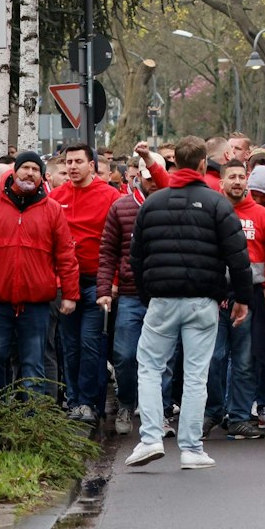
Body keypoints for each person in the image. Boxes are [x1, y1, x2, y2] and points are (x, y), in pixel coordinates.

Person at [126, 136, 251, 471]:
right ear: (201, 165)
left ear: (174, 164)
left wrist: (145, 295)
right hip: (203, 300)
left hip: (162, 300)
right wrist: (240, 298)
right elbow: (238, 257)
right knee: (196, 374)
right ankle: (192, 448)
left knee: (150, 367)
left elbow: (136, 258)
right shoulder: (217, 204)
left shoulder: (152, 204)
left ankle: (151, 438)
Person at [0, 152, 77, 395]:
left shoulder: (53, 210)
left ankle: (31, 423)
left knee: (33, 366)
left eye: (35, 169)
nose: (29, 173)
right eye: (25, 167)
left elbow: (66, 255)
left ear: (41, 176)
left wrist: (70, 293)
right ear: (14, 173)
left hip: (35, 304)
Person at [213, 162, 265, 439]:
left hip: (250, 297)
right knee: (212, 359)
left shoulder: (261, 215)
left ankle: (237, 417)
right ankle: (211, 413)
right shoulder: (212, 211)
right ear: (222, 182)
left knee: (245, 360)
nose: (237, 181)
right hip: (213, 298)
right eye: (231, 177)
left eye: (241, 177)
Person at [48, 144, 121, 422]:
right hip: (67, 283)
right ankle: (76, 400)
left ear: (92, 165)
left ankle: (90, 402)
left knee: (91, 342)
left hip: (97, 282)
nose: (73, 166)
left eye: (79, 161)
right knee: (70, 344)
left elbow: (118, 243)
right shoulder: (56, 197)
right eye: (69, 162)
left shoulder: (110, 196)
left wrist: (112, 282)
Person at [96, 169, 145, 436]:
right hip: (129, 294)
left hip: (163, 295)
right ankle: (127, 402)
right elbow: (108, 251)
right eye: (146, 177)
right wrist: (104, 288)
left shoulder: (171, 204)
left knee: (163, 359)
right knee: (125, 356)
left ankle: (156, 412)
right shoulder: (121, 207)